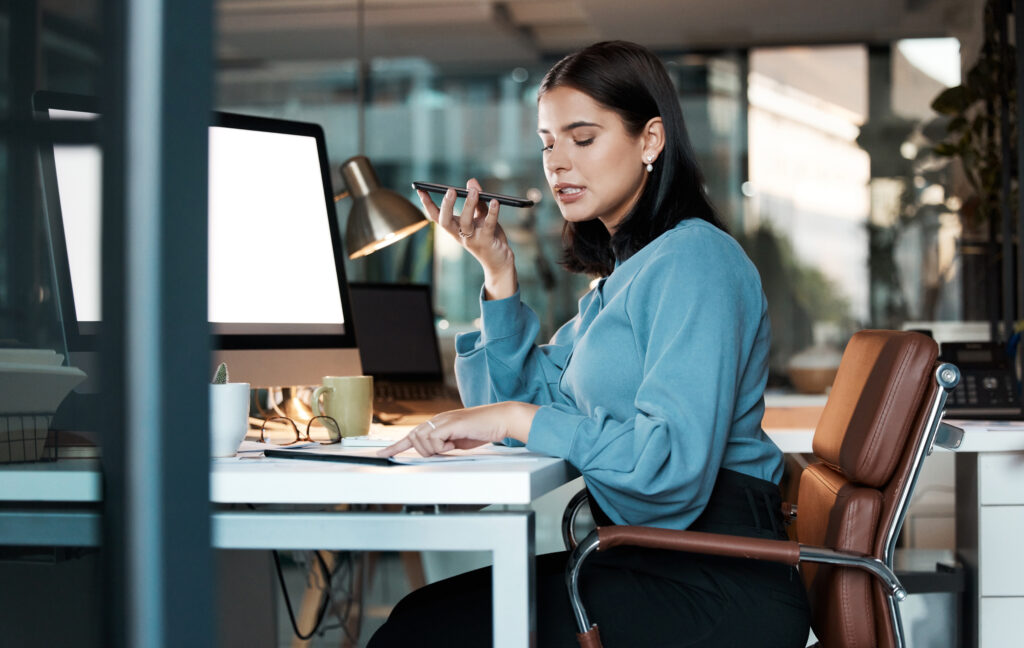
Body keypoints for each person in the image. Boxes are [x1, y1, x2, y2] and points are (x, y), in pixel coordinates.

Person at [368, 40, 810, 647]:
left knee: (420, 633)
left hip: (715, 582)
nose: (557, 164)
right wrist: (498, 274)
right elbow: (519, 398)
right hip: (651, 558)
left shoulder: (695, 261)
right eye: (549, 143)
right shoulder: (625, 277)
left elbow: (670, 474)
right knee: (416, 617)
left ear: (650, 140)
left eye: (583, 138)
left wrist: (518, 417)